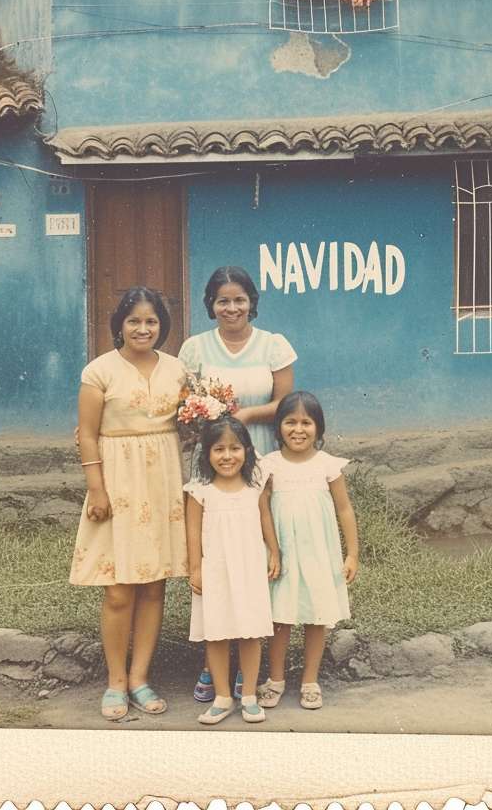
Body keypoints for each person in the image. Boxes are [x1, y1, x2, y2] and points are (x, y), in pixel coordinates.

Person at [178, 265, 297, 701]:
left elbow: (284, 401)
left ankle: (255, 667)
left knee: (256, 556)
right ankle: (213, 669)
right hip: (214, 462)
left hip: (259, 454)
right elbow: (182, 402)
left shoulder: (274, 345)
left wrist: (244, 416)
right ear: (211, 304)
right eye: (222, 300)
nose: (231, 308)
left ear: (252, 302)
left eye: (240, 299)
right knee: (216, 558)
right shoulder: (194, 348)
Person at [70, 285, 188, 721]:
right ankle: (115, 681)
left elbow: (190, 424)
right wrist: (97, 489)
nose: (143, 328)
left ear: (162, 326)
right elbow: (86, 433)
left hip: (163, 482)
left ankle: (140, 677)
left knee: (154, 582)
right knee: (119, 588)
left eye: (152, 321)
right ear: (119, 324)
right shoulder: (99, 371)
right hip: (117, 482)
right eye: (134, 320)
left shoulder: (178, 370)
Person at [256, 391, 359, 711]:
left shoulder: (327, 465)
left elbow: (344, 510)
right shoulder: (269, 465)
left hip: (319, 552)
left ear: (319, 428)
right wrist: (273, 551)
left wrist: (352, 553)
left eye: (306, 422)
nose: (298, 430)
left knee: (317, 615)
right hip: (283, 552)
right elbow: (263, 511)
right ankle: (275, 679)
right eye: (290, 422)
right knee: (279, 616)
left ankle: (310, 681)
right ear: (278, 427)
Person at [184, 414, 281, 725]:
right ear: (207, 453)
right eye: (219, 449)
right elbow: (192, 531)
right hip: (215, 569)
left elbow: (266, 519)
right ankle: (223, 696)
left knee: (251, 630)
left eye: (235, 448)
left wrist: (275, 552)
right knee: (216, 632)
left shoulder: (254, 486)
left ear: (247, 451)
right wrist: (195, 569)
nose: (227, 456)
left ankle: (249, 696)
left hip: (249, 567)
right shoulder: (200, 490)